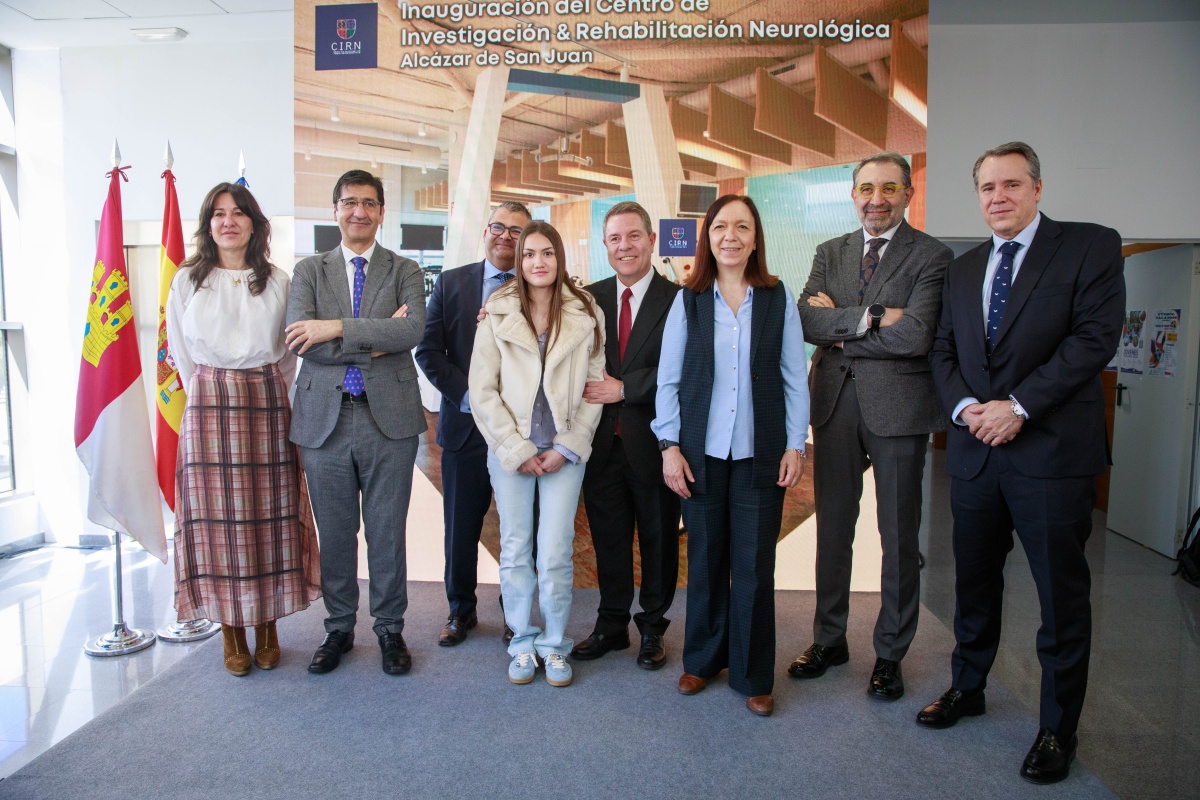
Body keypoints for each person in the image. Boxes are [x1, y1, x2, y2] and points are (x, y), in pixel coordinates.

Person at [920, 142, 1125, 784]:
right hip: (977, 454)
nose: (998, 196)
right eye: (987, 187)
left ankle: (1058, 728)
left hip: (1052, 456)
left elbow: (1094, 338)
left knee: (1060, 598)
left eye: (1011, 184)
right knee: (974, 585)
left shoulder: (1089, 246)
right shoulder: (963, 268)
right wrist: (967, 411)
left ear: (1037, 188)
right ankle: (968, 686)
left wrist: (1017, 406)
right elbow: (943, 350)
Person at [791, 153, 952, 700]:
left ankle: (890, 653)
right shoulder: (830, 250)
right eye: (866, 188)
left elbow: (918, 335)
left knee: (899, 537)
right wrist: (878, 316)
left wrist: (842, 326)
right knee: (833, 531)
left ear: (908, 193)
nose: (875, 199)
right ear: (853, 194)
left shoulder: (931, 255)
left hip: (899, 411)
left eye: (888, 188)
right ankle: (828, 639)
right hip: (833, 406)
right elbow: (806, 319)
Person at [652, 195, 810, 716]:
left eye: (742, 227)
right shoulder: (690, 300)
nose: (731, 236)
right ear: (708, 237)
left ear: (756, 237)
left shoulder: (777, 297)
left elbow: (794, 377)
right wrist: (669, 447)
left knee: (754, 567)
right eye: (721, 226)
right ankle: (701, 660)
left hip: (759, 455)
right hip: (700, 454)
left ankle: (752, 674)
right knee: (704, 561)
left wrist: (795, 444)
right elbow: (668, 380)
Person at [167, 182, 321, 677]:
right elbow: (181, 352)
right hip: (209, 403)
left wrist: (269, 392)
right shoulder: (188, 280)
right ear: (208, 225)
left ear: (254, 224)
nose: (228, 221)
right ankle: (230, 630)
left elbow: (289, 354)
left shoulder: (277, 280)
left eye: (238, 213)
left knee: (268, 517)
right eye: (218, 214)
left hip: (266, 401)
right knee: (215, 522)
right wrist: (212, 389)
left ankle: (267, 625)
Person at [285, 169, 427, 676]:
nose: (359, 212)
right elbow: (302, 341)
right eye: (349, 202)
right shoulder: (309, 271)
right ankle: (339, 627)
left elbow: (412, 330)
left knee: (387, 532)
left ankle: (389, 628)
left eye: (369, 203)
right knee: (336, 532)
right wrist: (377, 338)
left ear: (382, 212)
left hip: (389, 418)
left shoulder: (405, 268)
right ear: (336, 210)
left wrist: (335, 328)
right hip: (323, 420)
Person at [469, 221, 605, 687]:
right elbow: (482, 389)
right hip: (512, 450)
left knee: (555, 551)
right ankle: (522, 642)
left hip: (563, 451)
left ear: (559, 257)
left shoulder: (585, 310)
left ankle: (554, 644)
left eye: (547, 253)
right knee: (515, 548)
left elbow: (595, 386)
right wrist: (515, 447)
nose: (538, 262)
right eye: (528, 254)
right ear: (519, 260)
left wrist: (569, 445)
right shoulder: (498, 310)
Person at [415, 201, 532, 647]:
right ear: (485, 232)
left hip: (522, 432)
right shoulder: (451, 283)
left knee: (520, 530)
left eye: (516, 231)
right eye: (498, 227)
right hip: (465, 428)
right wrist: (472, 399)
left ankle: (515, 612)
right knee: (461, 527)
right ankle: (460, 611)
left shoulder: (539, 284)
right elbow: (429, 351)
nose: (505, 236)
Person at [573, 201, 681, 670]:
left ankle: (653, 627)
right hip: (600, 444)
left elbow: (687, 366)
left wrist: (626, 389)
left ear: (651, 241)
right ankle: (612, 624)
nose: (625, 246)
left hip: (656, 443)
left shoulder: (679, 299)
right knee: (608, 539)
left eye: (634, 236)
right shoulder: (586, 299)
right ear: (605, 245)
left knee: (659, 538)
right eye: (615, 238)